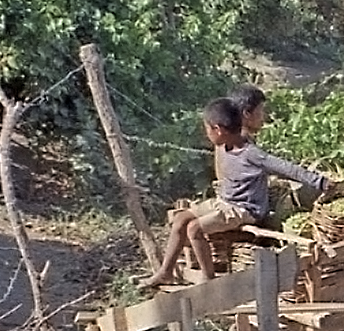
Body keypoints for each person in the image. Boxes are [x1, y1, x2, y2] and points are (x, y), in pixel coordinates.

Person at [138, 97, 332, 288]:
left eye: (207, 129)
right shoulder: (224, 145)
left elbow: (287, 168)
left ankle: (209, 280)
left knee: (194, 229)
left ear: (219, 130)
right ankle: (165, 272)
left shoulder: (252, 154)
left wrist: (320, 182)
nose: (207, 135)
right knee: (180, 220)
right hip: (224, 201)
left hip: (245, 210)